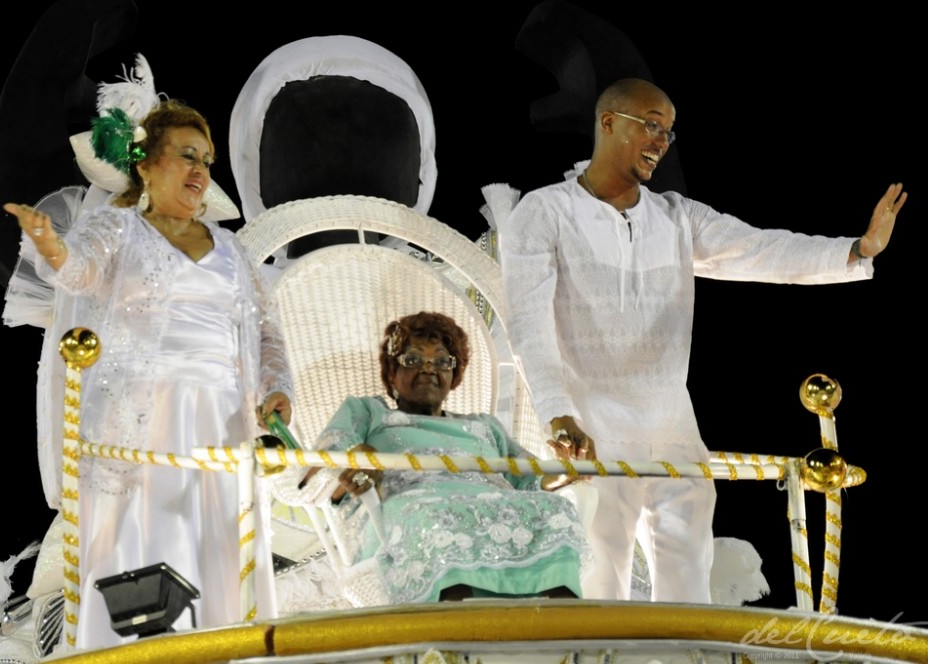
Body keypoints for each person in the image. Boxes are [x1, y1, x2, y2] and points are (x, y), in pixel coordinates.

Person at [497, 77, 906, 604]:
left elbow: (760, 250)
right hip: (587, 416)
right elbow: (527, 322)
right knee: (601, 569)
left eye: (668, 132)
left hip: (669, 418)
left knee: (688, 567)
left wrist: (854, 249)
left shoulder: (675, 217)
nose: (660, 142)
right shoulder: (545, 212)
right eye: (650, 125)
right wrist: (555, 410)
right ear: (608, 122)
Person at [4, 98, 293, 649]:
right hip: (139, 417)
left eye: (206, 160)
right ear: (146, 166)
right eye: (186, 155)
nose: (200, 172)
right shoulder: (117, 229)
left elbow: (266, 333)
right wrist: (49, 243)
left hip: (221, 420)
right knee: (141, 544)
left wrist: (277, 387)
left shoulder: (234, 250)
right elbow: (78, 269)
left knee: (220, 546)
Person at [283, 312, 589, 604]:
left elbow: (529, 478)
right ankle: (453, 635)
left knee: (557, 511)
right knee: (435, 517)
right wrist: (357, 458)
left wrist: (567, 471)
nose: (429, 368)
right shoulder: (367, 411)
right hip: (407, 511)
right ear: (393, 371)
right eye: (414, 359)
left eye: (442, 361)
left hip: (492, 504)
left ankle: (558, 629)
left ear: (453, 374)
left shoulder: (485, 426)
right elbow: (330, 450)